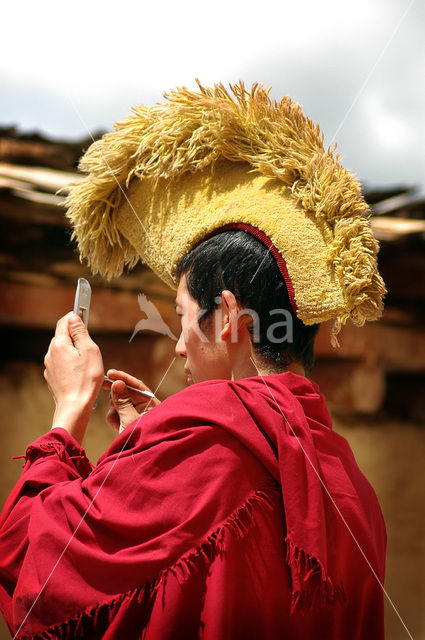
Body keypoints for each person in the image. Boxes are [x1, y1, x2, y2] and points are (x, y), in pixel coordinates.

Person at [0, 82, 387, 639]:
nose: (178, 345)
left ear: (227, 315)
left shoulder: (206, 445)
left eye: (182, 315)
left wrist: (68, 412)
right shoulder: (356, 493)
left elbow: (32, 564)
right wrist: (148, 449)